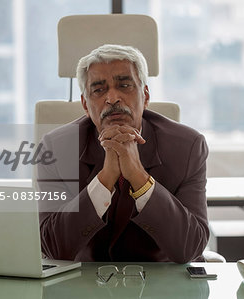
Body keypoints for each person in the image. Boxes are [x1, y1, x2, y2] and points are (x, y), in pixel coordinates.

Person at [37, 44, 209, 263]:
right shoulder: (55, 149)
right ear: (85, 105)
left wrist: (139, 177)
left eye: (124, 85)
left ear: (145, 95)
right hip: (86, 284)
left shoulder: (188, 147)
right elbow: (53, 247)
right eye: (99, 90)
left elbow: (191, 247)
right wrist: (105, 178)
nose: (112, 98)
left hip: (160, 283)